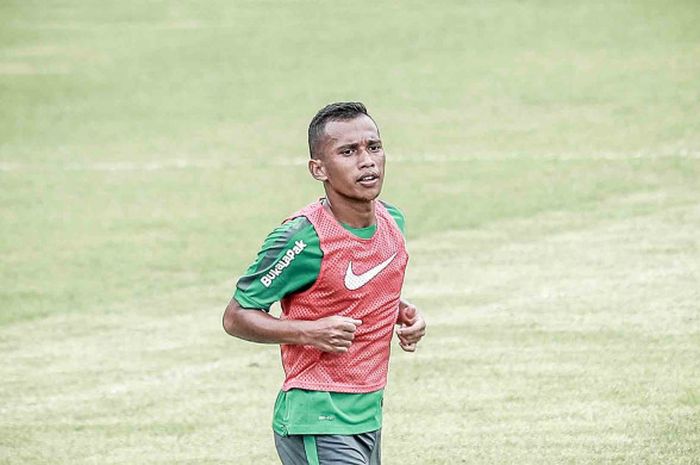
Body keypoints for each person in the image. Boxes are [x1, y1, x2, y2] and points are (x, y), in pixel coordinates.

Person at [222, 102, 426, 465]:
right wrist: (309, 332)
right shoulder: (301, 238)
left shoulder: (392, 221)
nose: (366, 161)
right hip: (317, 415)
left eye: (373, 147)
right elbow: (236, 316)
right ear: (319, 169)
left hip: (367, 413)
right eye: (348, 151)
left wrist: (402, 313)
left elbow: (359, 287)